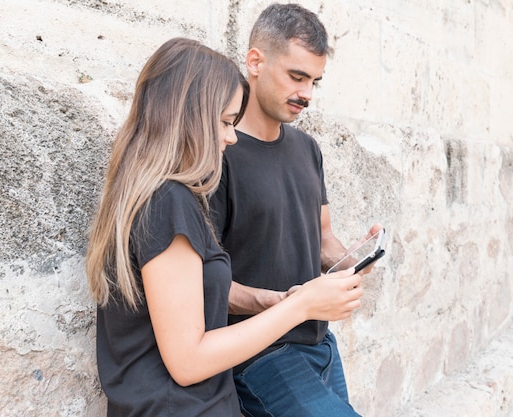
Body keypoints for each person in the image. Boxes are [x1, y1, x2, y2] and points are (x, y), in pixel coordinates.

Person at [85, 37, 363, 417]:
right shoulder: (167, 203)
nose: (232, 136)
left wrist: (275, 300)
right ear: (187, 116)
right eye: (225, 122)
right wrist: (301, 306)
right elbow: (188, 361)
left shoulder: (163, 196)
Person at [210, 4, 382, 417]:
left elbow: (322, 238)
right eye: (297, 76)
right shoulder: (219, 153)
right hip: (260, 354)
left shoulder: (307, 149)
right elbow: (203, 281)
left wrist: (353, 260)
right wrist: (282, 304)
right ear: (255, 61)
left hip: (319, 344)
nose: (306, 93)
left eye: (315, 81)